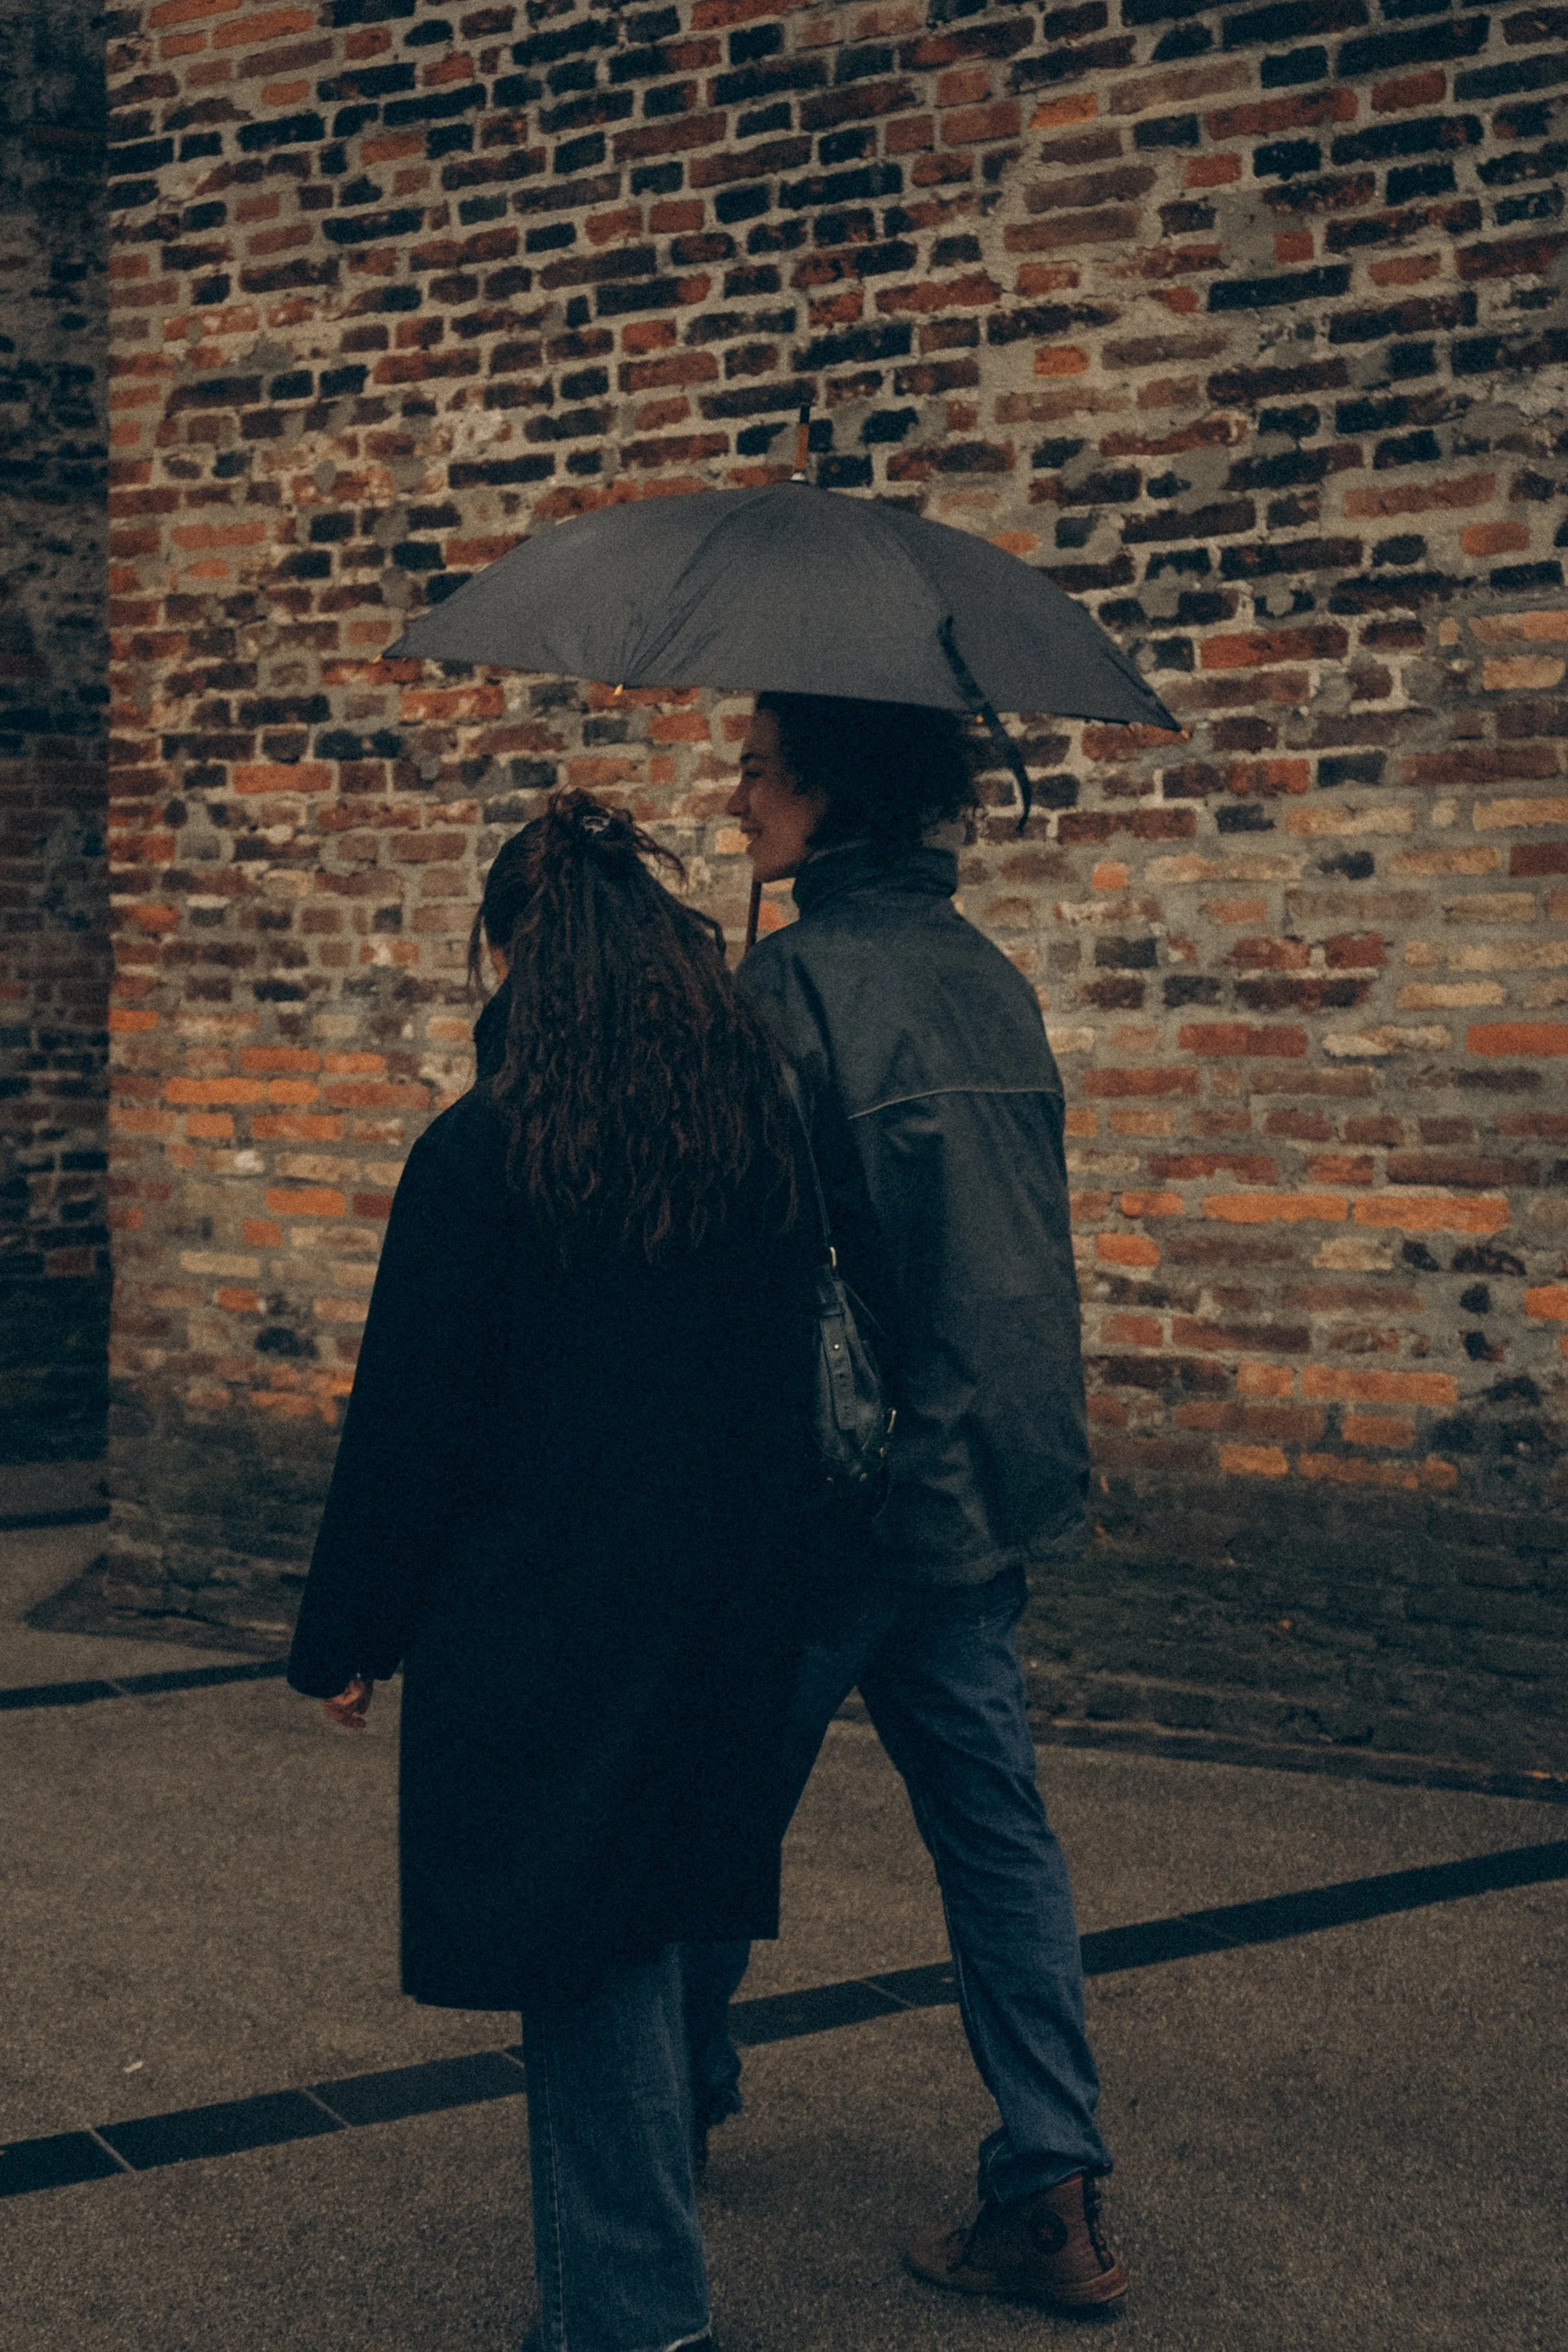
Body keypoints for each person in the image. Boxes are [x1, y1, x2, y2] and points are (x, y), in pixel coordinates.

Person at [286, 791, 819, 2352]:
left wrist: (348, 1635)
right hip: (708, 1612)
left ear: (515, 954)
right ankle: (613, 2299)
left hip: (538, 1631)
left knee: (581, 1962)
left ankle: (637, 2317)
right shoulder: (747, 1131)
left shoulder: (481, 1154)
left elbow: (410, 1427)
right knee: (631, 1937)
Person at [681, 692, 1127, 2316]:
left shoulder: (788, 987)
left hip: (836, 1495)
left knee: (707, 1809)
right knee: (996, 1836)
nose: (734, 802)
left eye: (754, 770)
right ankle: (1051, 2182)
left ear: (826, 789)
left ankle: (670, 2099)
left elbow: (724, 1267)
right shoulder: (987, 978)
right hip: (977, 1486)